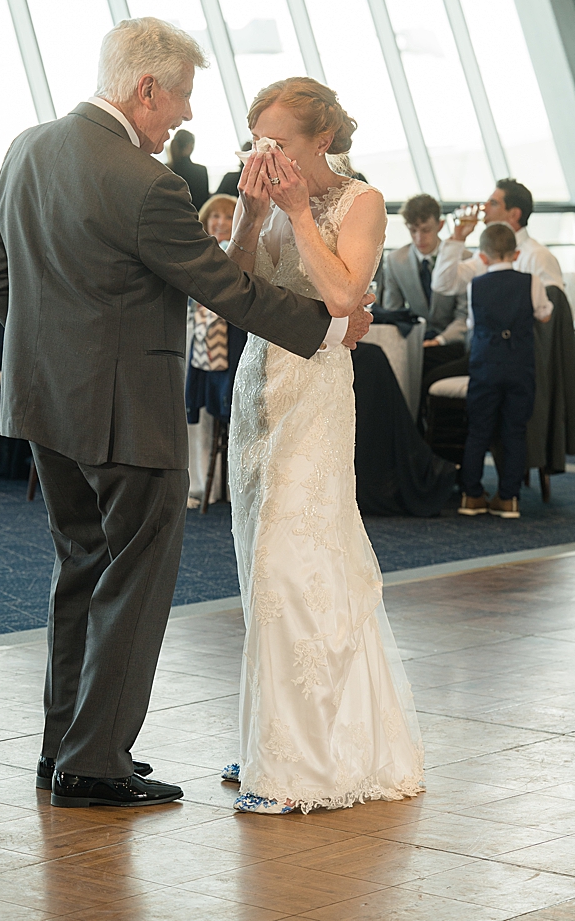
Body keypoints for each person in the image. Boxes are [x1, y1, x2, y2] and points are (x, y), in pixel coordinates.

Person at [0, 17, 372, 812]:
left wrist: (46, 359)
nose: (188, 116)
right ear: (146, 88)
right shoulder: (144, 181)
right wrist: (329, 327)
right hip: (126, 411)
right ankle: (94, 762)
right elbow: (221, 288)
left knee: (78, 568)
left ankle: (61, 746)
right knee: (136, 574)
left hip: (42, 403)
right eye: (183, 96)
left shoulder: (25, 148)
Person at [223, 76, 423, 814]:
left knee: (294, 558)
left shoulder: (359, 201)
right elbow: (232, 283)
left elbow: (344, 296)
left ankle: (303, 761)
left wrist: (299, 213)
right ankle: (272, 733)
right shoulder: (265, 199)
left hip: (315, 392)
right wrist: (249, 216)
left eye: (279, 142)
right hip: (258, 384)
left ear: (322, 142)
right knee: (256, 556)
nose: (265, 154)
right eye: (257, 142)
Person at [457, 222, 551, 519]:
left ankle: (471, 496)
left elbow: (472, 325)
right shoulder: (531, 281)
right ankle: (509, 498)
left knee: (478, 431)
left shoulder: (476, 285)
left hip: (485, 366)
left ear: (482, 258)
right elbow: (545, 314)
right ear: (517, 253)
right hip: (519, 366)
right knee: (514, 432)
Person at [185, 194, 243, 508]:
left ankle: (226, 485)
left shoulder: (242, 256)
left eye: (228, 217)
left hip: (231, 343)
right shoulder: (194, 253)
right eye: (215, 216)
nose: (220, 223)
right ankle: (199, 483)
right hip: (195, 342)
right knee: (196, 417)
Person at [380, 194, 469, 387]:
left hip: (451, 341)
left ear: (440, 225)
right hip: (416, 341)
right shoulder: (396, 261)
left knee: (422, 365)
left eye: (426, 230)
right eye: (413, 231)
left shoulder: (463, 258)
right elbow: (393, 313)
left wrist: (439, 340)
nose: (419, 238)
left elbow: (465, 316)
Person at [433, 178, 565, 296]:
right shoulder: (484, 254)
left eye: (493, 203)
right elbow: (443, 285)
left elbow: (555, 310)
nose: (484, 209)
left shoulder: (537, 256)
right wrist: (457, 238)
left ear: (514, 214)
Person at [166, 129, 209, 209]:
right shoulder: (200, 171)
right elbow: (203, 201)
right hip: (194, 217)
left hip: (169, 216)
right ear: (190, 146)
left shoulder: (165, 169)